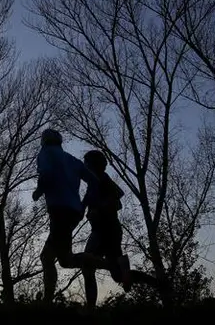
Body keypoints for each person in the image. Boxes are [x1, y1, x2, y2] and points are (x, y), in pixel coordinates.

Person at [32, 129, 115, 304]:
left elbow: (45, 174)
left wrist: (38, 191)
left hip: (59, 211)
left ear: (43, 141)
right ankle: (113, 265)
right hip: (73, 213)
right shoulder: (72, 159)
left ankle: (113, 265)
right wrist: (83, 204)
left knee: (53, 258)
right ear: (60, 142)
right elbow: (94, 181)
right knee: (60, 259)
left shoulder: (45, 153)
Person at [80, 150, 158, 309]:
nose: (84, 166)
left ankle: (90, 309)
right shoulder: (95, 182)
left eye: (86, 163)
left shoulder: (101, 179)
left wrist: (98, 209)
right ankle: (156, 283)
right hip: (109, 231)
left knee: (87, 263)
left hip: (104, 231)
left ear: (94, 165)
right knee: (117, 276)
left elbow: (118, 200)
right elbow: (86, 203)